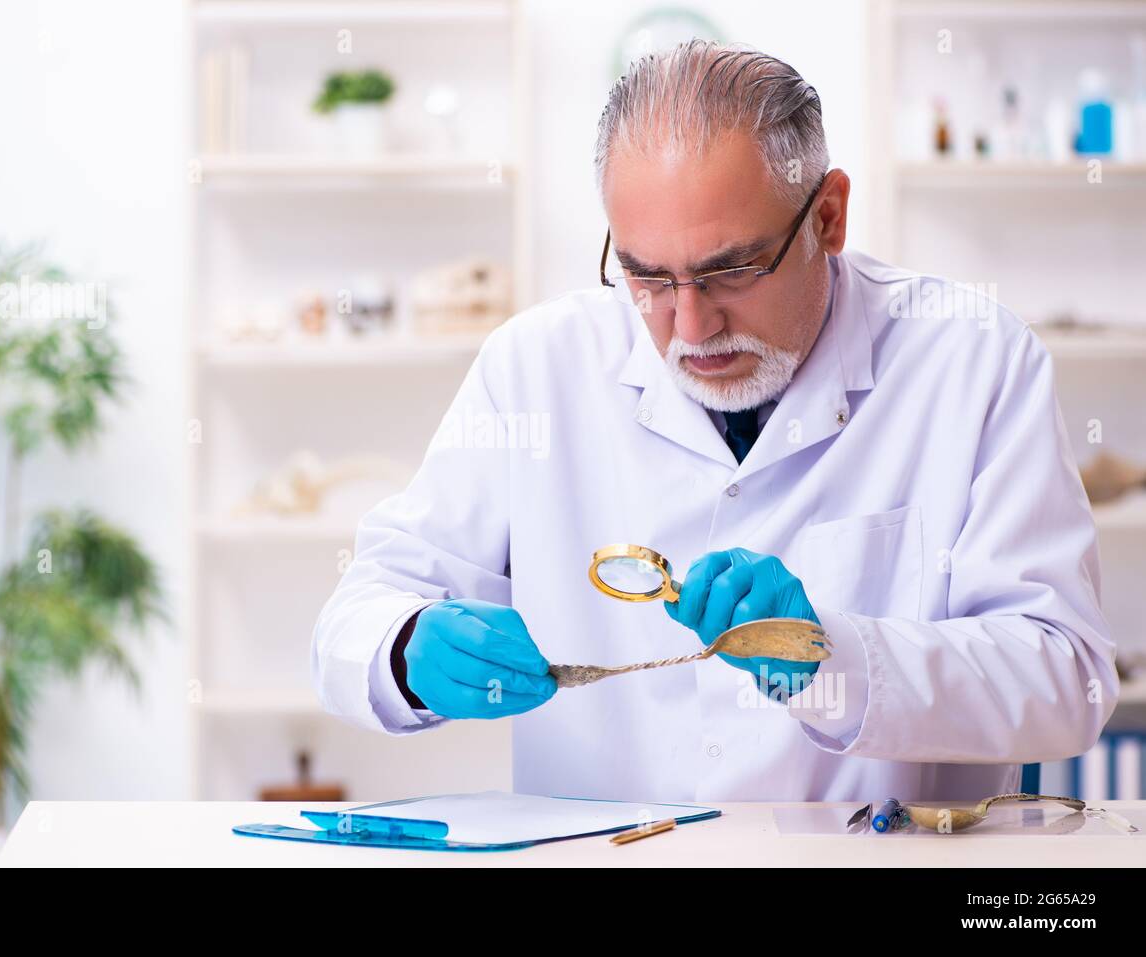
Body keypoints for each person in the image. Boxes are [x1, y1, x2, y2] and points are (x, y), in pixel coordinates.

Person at [311, 40, 1117, 802]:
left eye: (730, 270)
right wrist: (408, 648)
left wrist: (834, 659)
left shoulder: (973, 360)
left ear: (829, 217)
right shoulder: (535, 368)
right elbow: (360, 609)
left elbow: (1066, 678)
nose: (689, 328)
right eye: (645, 275)